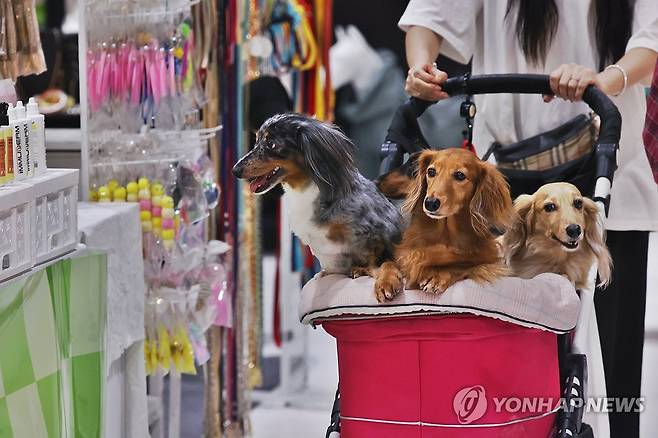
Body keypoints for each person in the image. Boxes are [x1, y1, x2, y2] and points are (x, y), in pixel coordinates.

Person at [399, 1, 658, 437]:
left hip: (607, 165)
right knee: (503, 338)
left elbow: (649, 42)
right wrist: (421, 68)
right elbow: (431, 15)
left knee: (617, 353)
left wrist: (602, 79)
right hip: (507, 180)